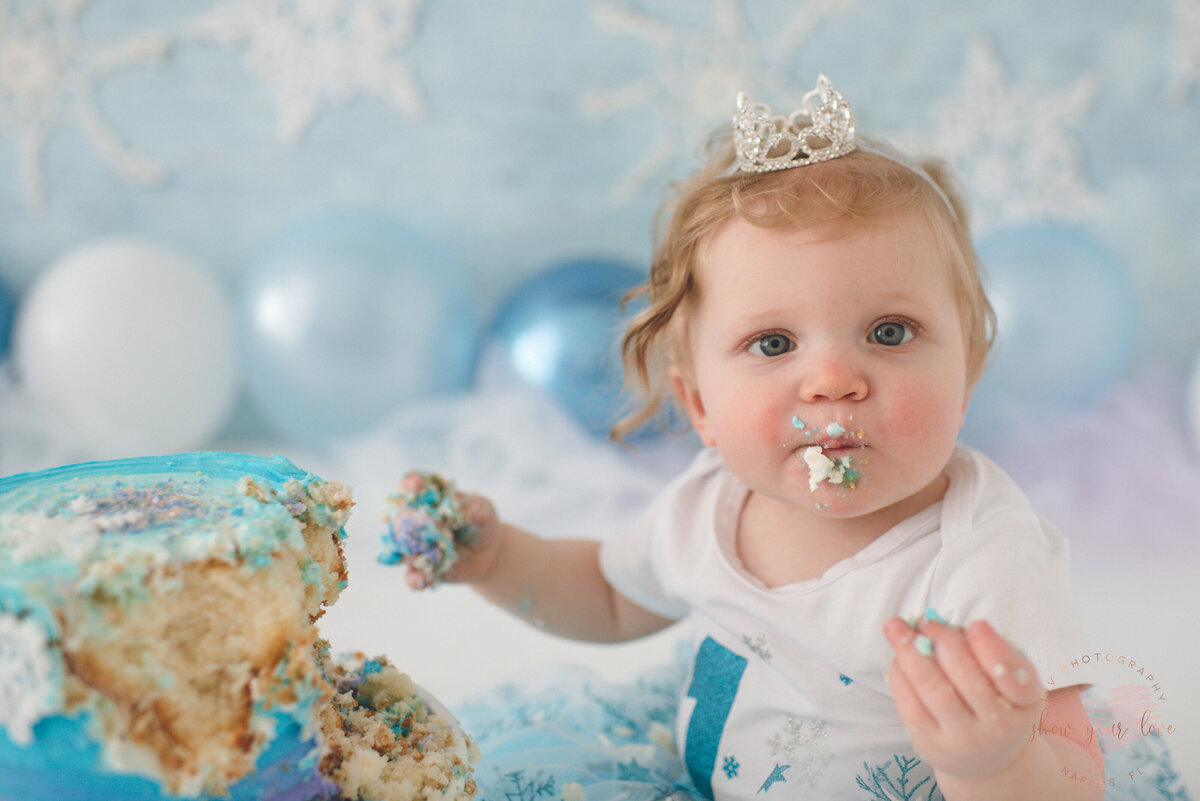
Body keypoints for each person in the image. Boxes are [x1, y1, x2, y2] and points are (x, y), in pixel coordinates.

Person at [403, 76, 1105, 799]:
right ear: (698, 403)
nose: (832, 380)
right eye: (773, 344)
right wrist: (495, 559)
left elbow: (1079, 769)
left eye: (889, 332)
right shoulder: (709, 503)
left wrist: (994, 763)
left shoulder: (983, 553)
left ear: (969, 370)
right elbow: (608, 595)